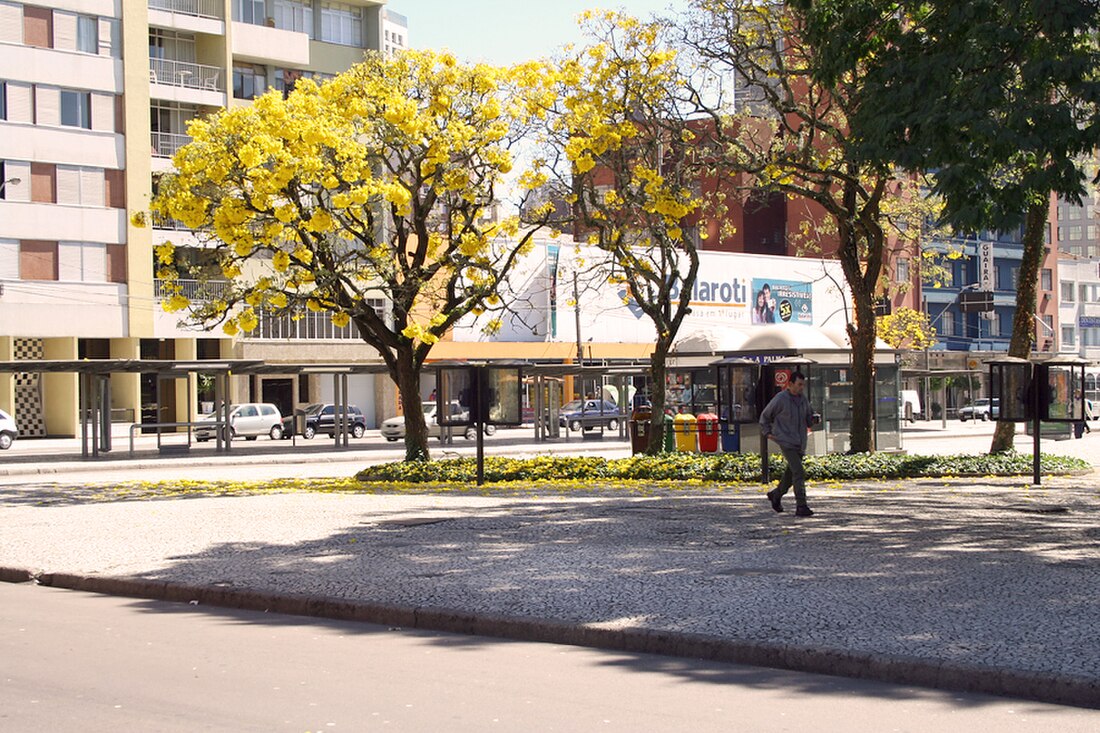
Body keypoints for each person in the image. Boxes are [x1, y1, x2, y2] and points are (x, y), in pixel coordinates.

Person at [759, 371, 816, 517]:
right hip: (786, 441)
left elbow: (809, 417)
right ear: (790, 384)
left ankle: (776, 494)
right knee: (798, 471)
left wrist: (814, 419)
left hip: (800, 441)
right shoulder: (780, 399)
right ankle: (801, 505)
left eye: (803, 385)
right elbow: (765, 416)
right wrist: (768, 432)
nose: (802, 387)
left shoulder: (803, 399)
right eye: (799, 384)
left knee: (790, 474)